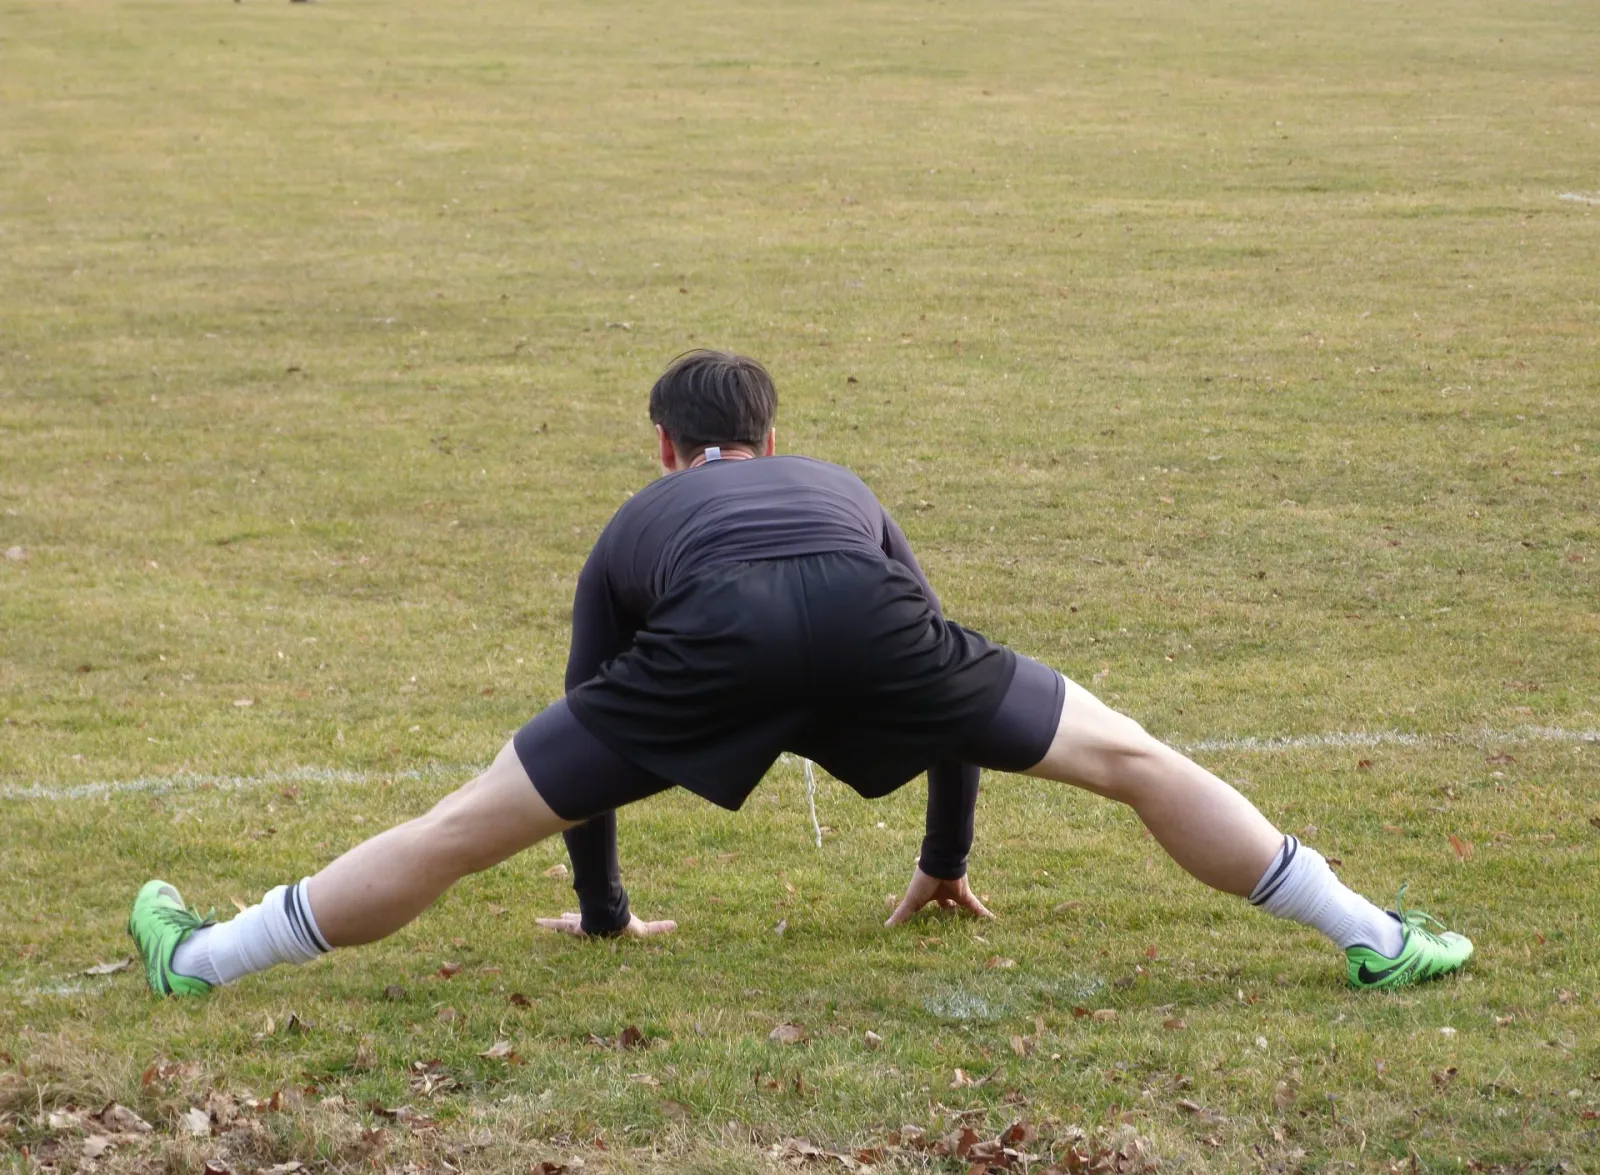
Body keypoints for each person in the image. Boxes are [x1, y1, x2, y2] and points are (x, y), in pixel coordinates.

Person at [128, 350, 1472, 997]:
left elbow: (577, 735)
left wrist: (603, 913)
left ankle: (205, 962)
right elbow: (941, 669)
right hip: (867, 615)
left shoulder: (636, 522)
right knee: (1135, 762)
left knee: (455, 831)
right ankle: (1373, 937)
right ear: (773, 442)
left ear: (666, 450)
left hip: (709, 643)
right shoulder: (840, 486)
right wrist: (943, 857)